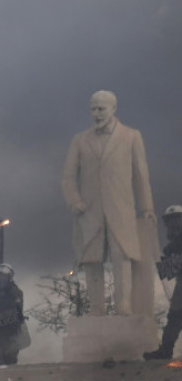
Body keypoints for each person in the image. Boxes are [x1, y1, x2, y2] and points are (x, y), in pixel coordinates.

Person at [61, 90, 157, 317]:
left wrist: (147, 208)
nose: (96, 113)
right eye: (93, 109)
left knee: (121, 256)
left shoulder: (131, 136)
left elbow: (140, 176)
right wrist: (74, 200)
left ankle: (123, 304)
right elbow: (68, 177)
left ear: (113, 109)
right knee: (93, 260)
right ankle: (96, 307)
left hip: (121, 209)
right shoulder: (80, 140)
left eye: (101, 108)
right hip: (90, 211)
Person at [144, 205, 182, 360]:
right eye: (170, 222)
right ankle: (165, 351)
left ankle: (165, 351)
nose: (173, 226)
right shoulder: (172, 244)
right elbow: (169, 270)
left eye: (176, 220)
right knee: (175, 316)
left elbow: (170, 269)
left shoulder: (174, 244)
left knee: (175, 316)